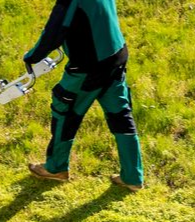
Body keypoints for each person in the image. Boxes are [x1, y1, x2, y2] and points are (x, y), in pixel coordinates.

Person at [23, 0, 144, 189]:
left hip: (88, 69)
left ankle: (56, 168)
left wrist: (30, 58)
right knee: (120, 115)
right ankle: (133, 177)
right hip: (116, 58)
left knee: (64, 111)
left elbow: (52, 35)